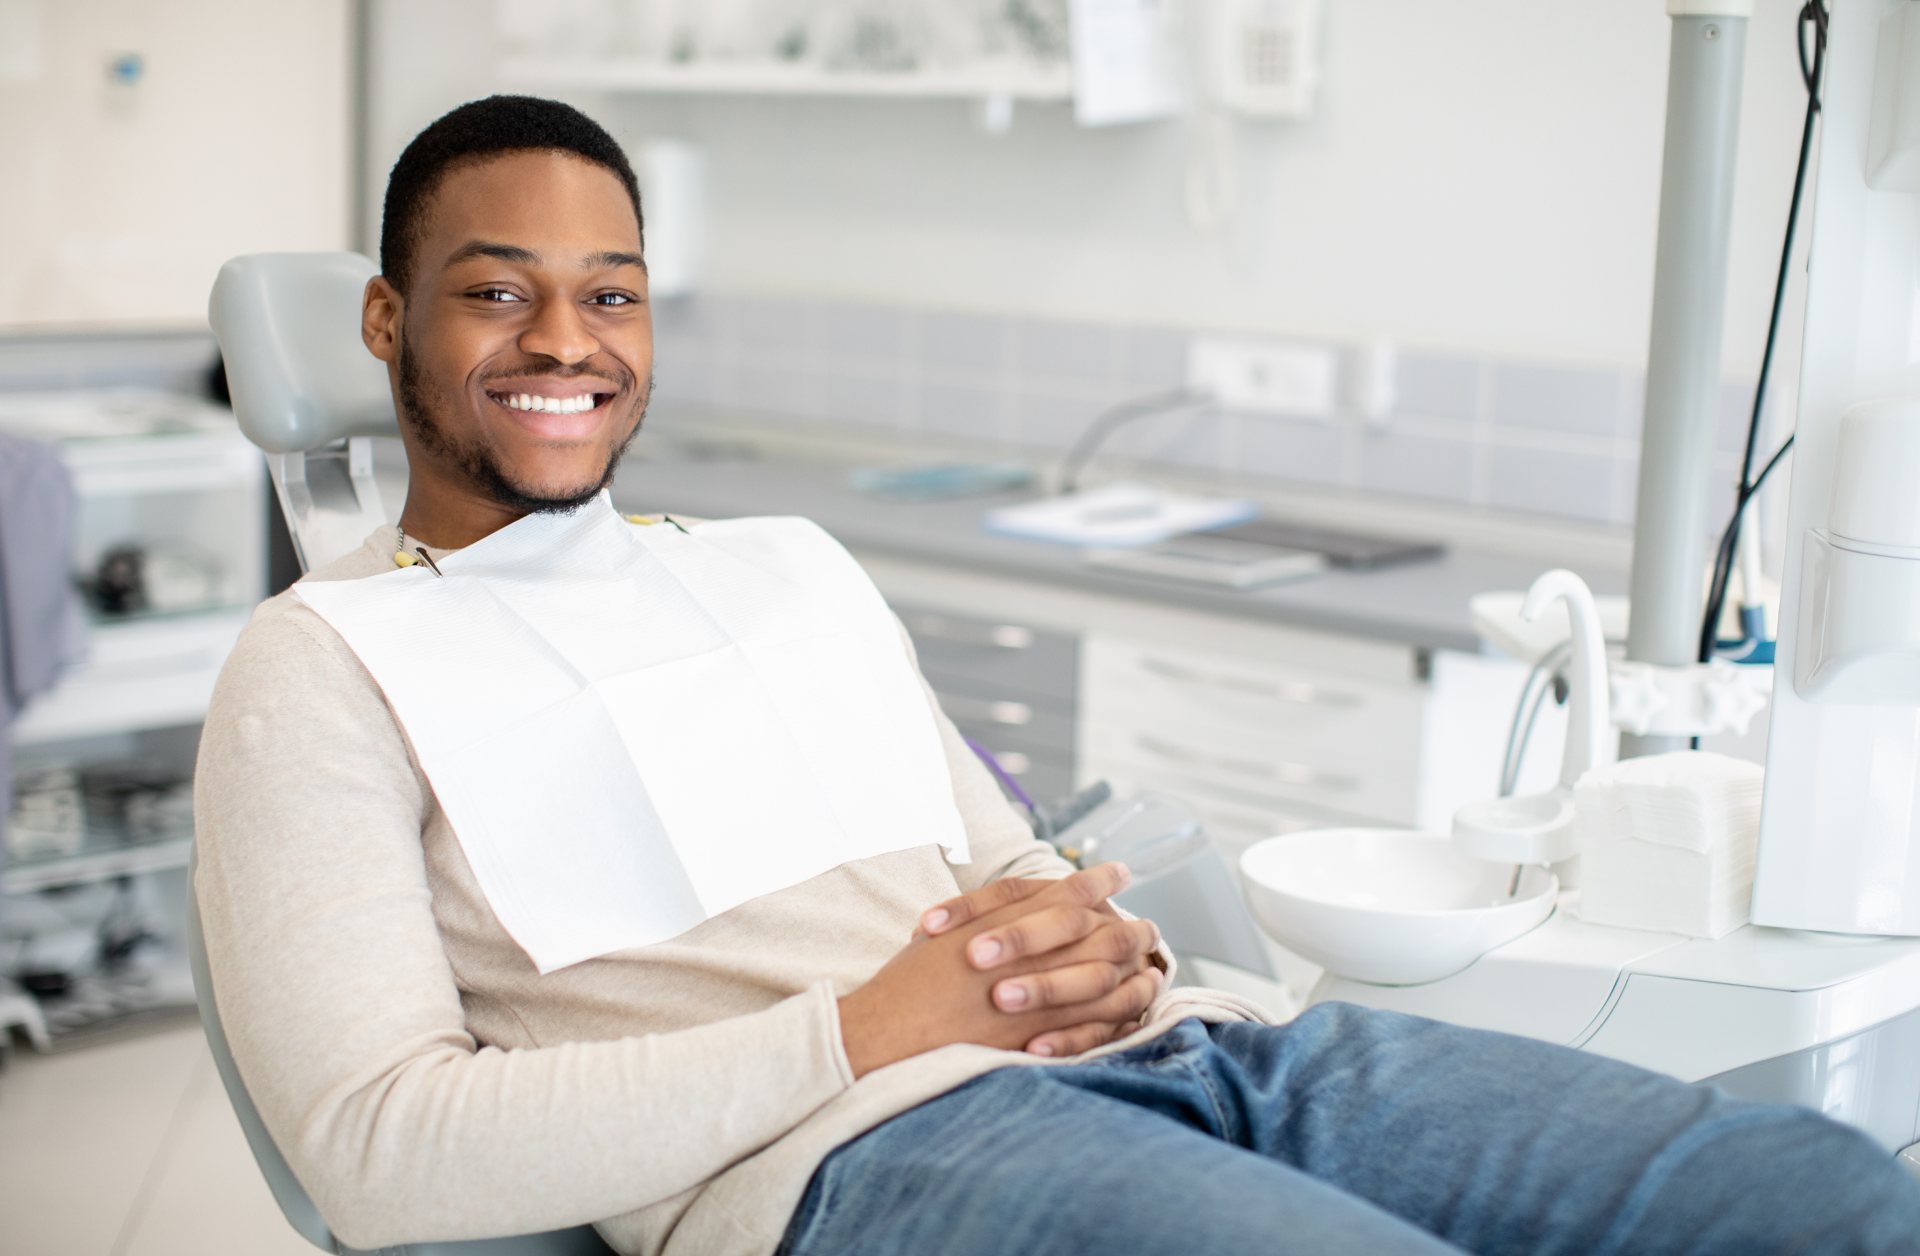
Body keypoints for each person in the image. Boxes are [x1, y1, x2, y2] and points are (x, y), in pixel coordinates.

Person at [193, 95, 1920, 1256]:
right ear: (383, 322)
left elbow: (995, 850)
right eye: (497, 293)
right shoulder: (325, 663)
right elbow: (374, 1144)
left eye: (612, 294)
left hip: (1198, 1047)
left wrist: (1106, 936)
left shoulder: (781, 568)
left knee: (1813, 1195)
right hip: (857, 1159)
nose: (564, 342)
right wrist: (866, 1031)